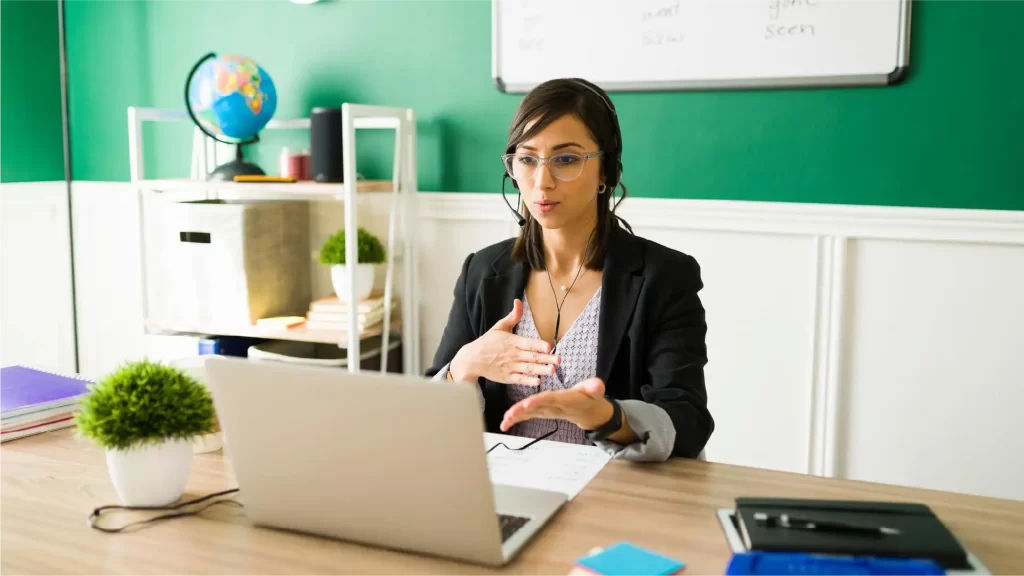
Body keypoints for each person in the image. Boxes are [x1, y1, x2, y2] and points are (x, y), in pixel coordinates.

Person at [426, 78, 713, 461]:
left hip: (615, 498)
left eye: (566, 159)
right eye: (527, 159)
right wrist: (464, 367)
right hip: (505, 491)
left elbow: (689, 422)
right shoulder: (482, 271)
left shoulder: (664, 277)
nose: (542, 182)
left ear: (605, 173)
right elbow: (427, 416)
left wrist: (608, 417)